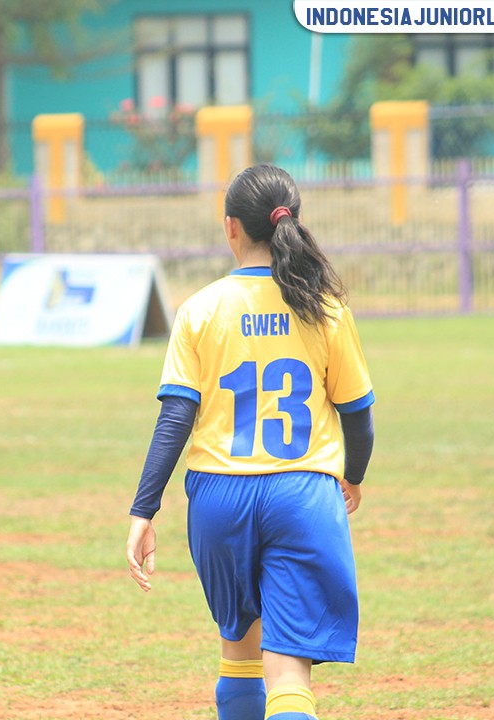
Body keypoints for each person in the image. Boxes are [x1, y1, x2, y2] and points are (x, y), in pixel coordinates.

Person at [125, 164, 375, 720]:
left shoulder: (200, 309)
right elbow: (359, 417)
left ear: (230, 227)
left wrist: (145, 509)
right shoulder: (325, 308)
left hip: (219, 499)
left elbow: (175, 420)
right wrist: (352, 476)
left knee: (239, 653)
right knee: (287, 671)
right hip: (301, 494)